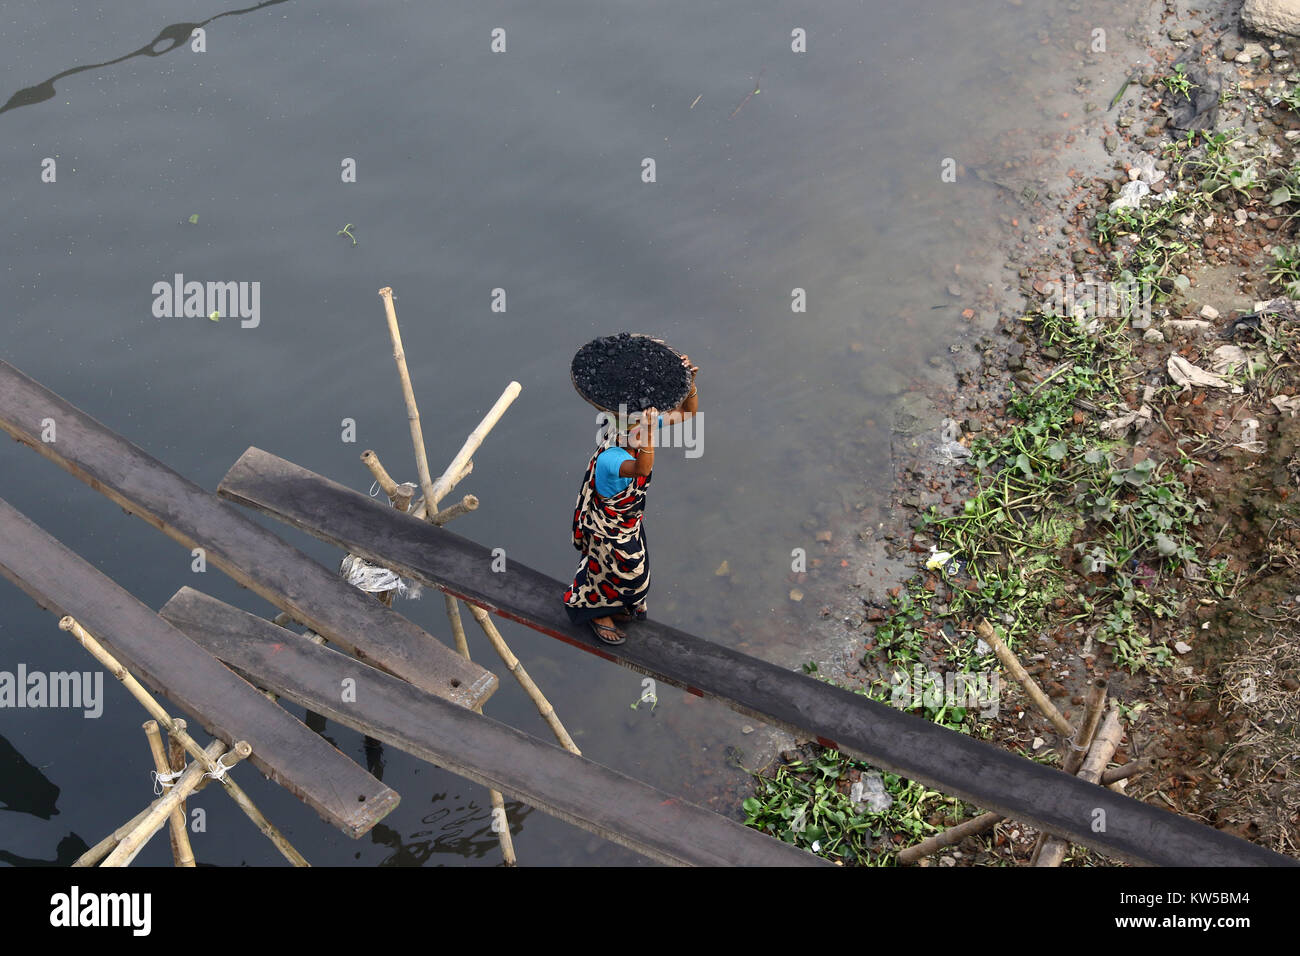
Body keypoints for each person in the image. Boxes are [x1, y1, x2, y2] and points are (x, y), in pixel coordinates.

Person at [563, 354, 699, 644]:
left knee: (635, 573)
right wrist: (649, 431)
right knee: (623, 571)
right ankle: (594, 612)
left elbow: (688, 414)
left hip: (627, 522)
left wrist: (688, 384)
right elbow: (642, 468)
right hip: (608, 528)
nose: (640, 432)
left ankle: (617, 606)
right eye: (636, 430)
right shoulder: (612, 458)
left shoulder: (636, 432)